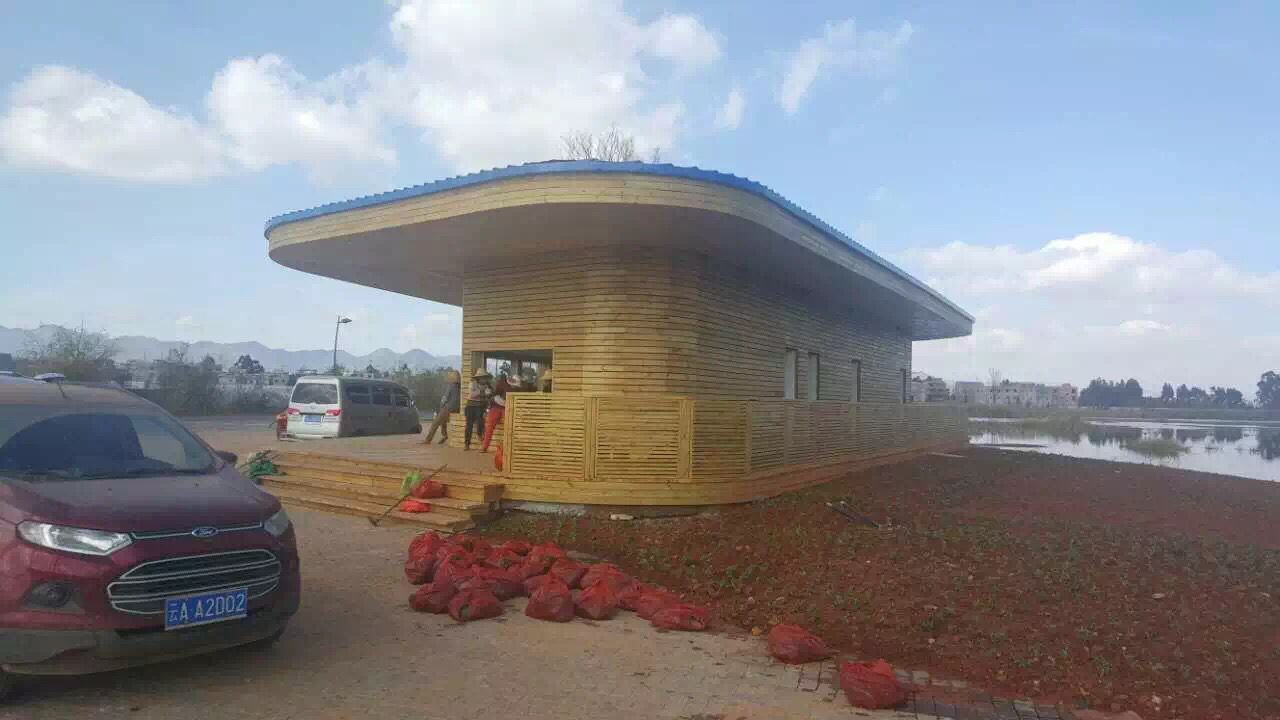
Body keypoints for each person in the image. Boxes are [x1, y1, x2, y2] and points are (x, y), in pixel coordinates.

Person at [481, 372, 520, 453]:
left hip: (506, 407)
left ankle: (507, 448)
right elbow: (494, 393)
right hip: (496, 406)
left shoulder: (516, 389)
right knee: (489, 427)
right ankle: (484, 447)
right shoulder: (502, 384)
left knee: (509, 426)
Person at [424, 370, 460, 444]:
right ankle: (444, 435)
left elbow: (445, 398)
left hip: (449, 407)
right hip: (457, 408)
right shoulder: (460, 387)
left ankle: (428, 439)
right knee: (443, 420)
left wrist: (441, 406)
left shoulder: (450, 386)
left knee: (435, 422)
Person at [463, 368, 493, 450]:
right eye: (482, 377)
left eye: (485, 377)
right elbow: (472, 394)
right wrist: (483, 392)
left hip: (481, 406)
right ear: (479, 378)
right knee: (469, 426)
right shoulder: (472, 384)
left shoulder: (488, 385)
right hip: (471, 406)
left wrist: (488, 394)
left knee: (480, 422)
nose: (484, 379)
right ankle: (467, 444)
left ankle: (480, 435)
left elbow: (490, 394)